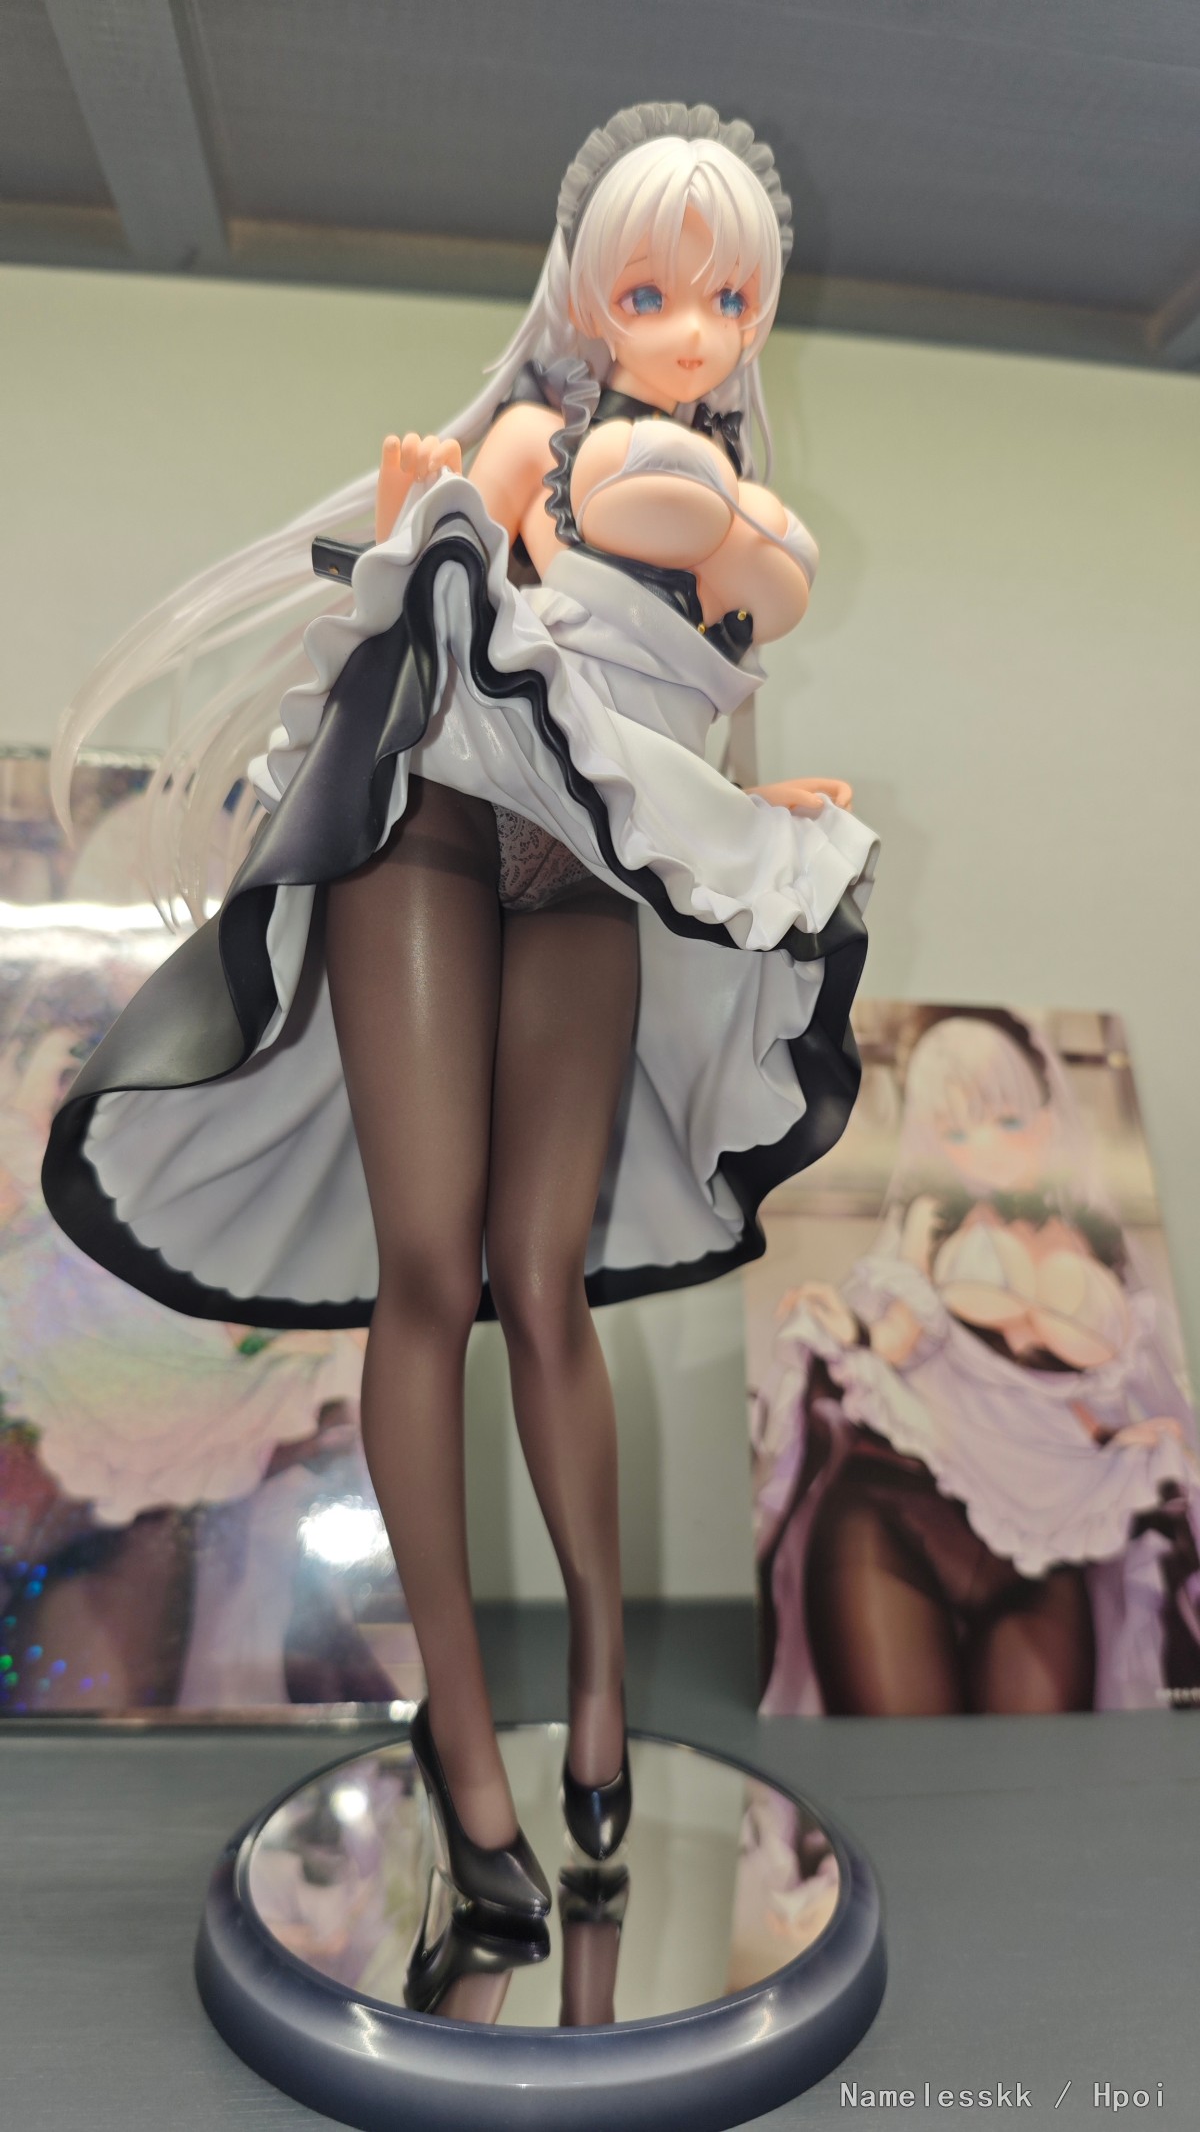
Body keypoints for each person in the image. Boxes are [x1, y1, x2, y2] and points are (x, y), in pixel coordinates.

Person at [42, 103, 879, 1918]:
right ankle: (467, 1733)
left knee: (542, 1279)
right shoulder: (532, 442)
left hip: (586, 870)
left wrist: (755, 804)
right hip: (433, 825)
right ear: (585, 294)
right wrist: (409, 525)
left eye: (727, 297)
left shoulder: (737, 496)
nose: (691, 327)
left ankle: (601, 1681)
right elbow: (418, 632)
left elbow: (695, 698)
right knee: (429, 1273)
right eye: (650, 291)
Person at [755, 1010, 1200, 1716]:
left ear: (1047, 1119)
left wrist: (1117, 1438)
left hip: (1042, 1536)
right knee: (895, 1766)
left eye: (1005, 1120)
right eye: (956, 1131)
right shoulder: (933, 1220)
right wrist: (847, 1328)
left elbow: (1070, 1397)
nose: (982, 1148)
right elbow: (897, 1338)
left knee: (1038, 1773)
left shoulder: (1097, 1240)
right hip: (898, 1508)